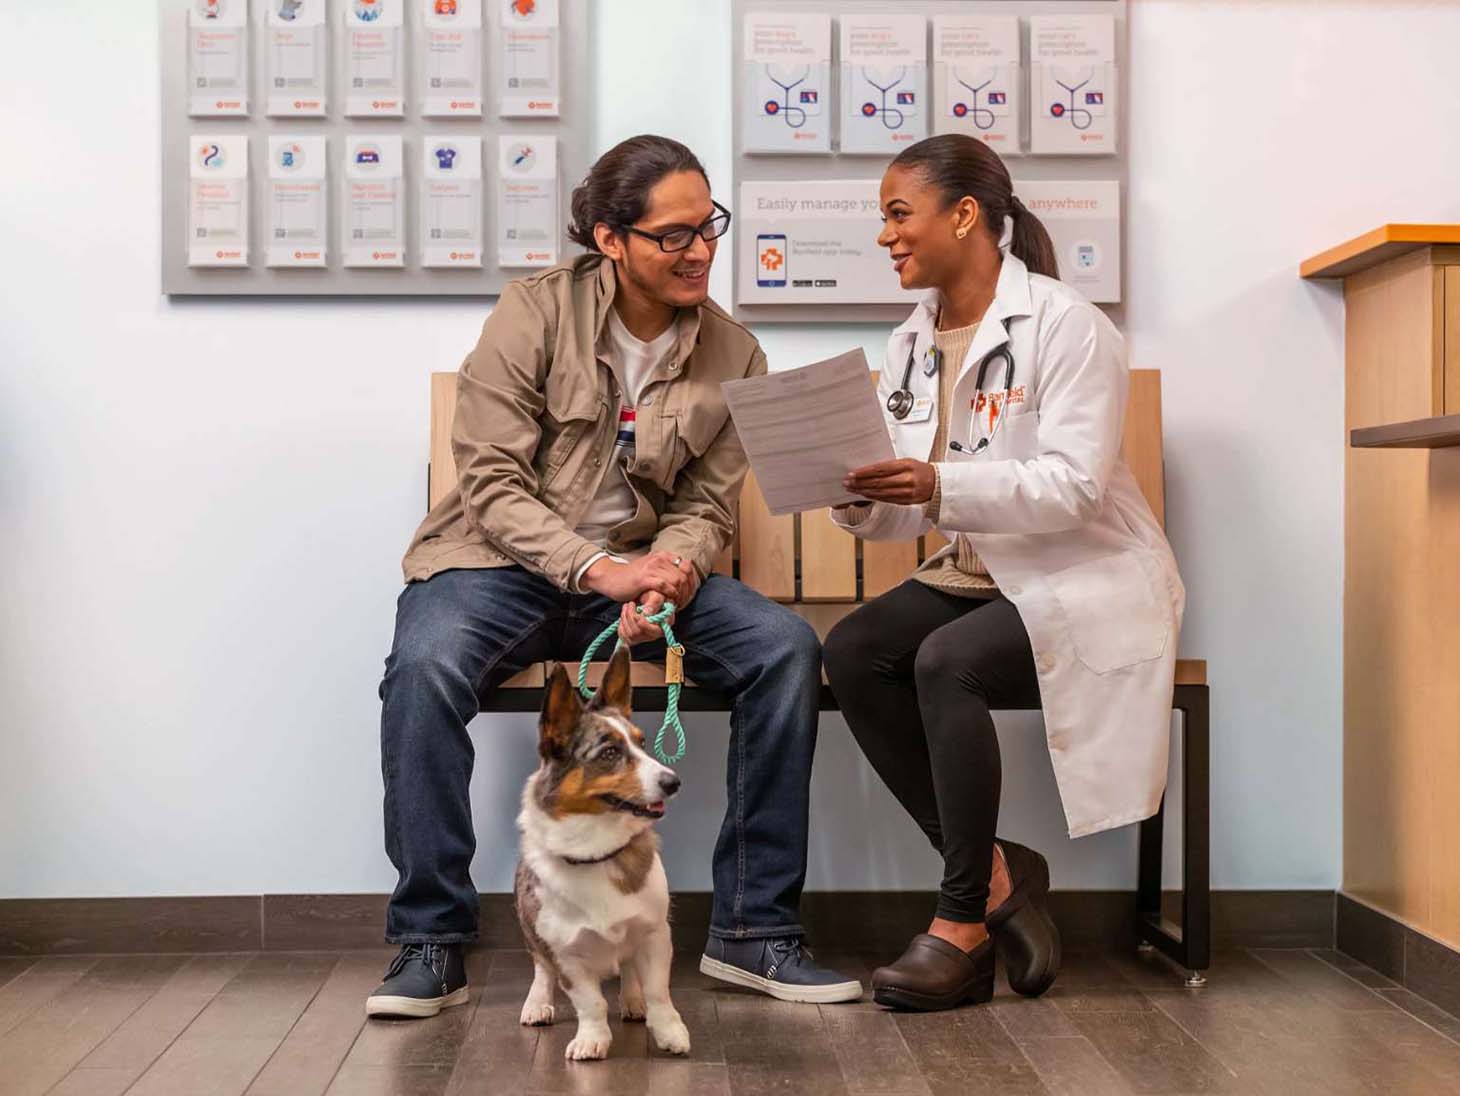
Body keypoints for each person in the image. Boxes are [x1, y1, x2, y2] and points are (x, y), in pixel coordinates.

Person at [367, 135, 861, 1019]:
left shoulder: (736, 354)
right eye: (674, 234)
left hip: (640, 576)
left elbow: (708, 504)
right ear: (611, 238)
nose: (701, 250)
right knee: (425, 668)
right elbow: (488, 479)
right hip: (500, 567)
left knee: (785, 649)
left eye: (709, 225)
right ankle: (430, 941)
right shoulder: (532, 315)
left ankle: (754, 931)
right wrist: (602, 571)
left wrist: (668, 575)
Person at [821, 134, 1185, 1012]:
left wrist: (939, 484)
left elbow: (1073, 487)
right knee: (857, 649)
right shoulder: (913, 343)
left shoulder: (1068, 326)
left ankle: (961, 927)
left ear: (966, 215)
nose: (886, 237)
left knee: (949, 661)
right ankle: (998, 874)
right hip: (983, 571)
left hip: (1085, 572)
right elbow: (920, 506)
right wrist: (860, 497)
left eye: (898, 214)